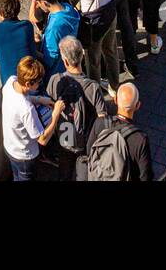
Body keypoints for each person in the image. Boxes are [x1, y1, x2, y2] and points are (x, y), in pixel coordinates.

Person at [46, 36, 115, 181]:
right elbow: (102, 118)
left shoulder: (56, 80)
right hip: (85, 141)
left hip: (64, 137)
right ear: (82, 56)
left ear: (65, 61)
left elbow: (49, 103)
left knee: (64, 170)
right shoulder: (93, 87)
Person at [0, 56, 65, 181]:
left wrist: (39, 99)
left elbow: (21, 98)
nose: (39, 84)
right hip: (25, 156)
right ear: (28, 84)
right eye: (37, 82)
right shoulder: (27, 109)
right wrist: (55, 114)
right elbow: (42, 139)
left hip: (10, 147)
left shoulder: (10, 82)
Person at [86, 82, 153, 181]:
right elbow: (145, 176)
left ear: (115, 100)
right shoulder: (139, 139)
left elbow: (89, 151)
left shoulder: (100, 123)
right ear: (138, 105)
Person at [34, 0, 80, 78]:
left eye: (38, 3)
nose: (38, 6)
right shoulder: (68, 8)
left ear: (44, 3)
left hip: (55, 73)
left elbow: (51, 57)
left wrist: (35, 52)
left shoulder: (54, 27)